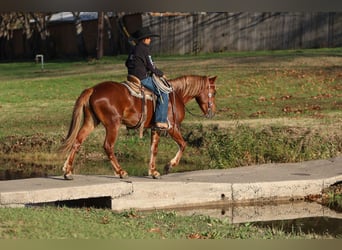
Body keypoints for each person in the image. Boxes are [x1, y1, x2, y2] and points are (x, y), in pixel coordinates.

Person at [125, 27, 169, 130]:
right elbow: (151, 66)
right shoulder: (144, 49)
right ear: (144, 39)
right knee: (163, 93)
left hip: (132, 77)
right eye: (149, 38)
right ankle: (160, 121)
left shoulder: (133, 49)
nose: (150, 40)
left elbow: (127, 63)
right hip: (142, 78)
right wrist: (161, 74)